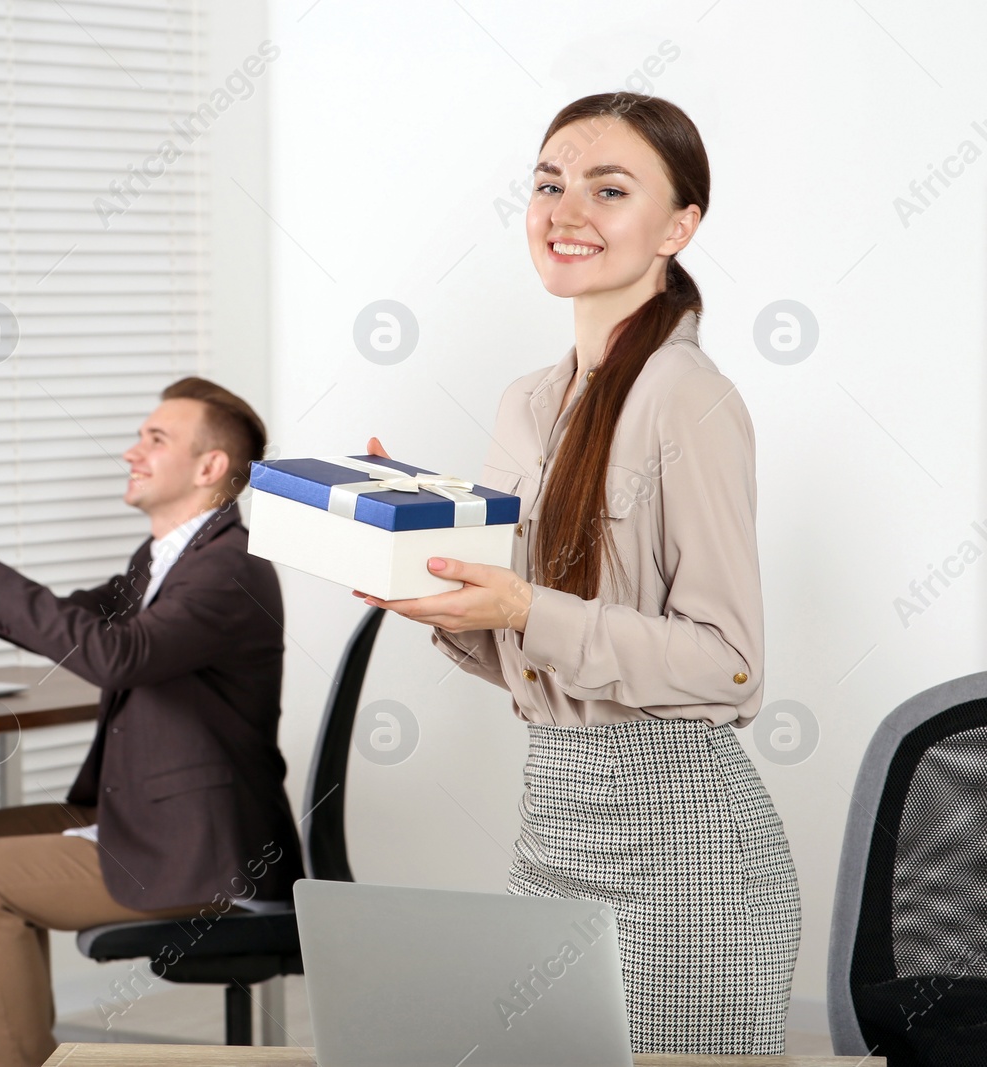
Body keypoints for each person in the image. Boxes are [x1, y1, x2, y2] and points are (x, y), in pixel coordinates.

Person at [357, 94, 800, 1054]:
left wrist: (522, 603)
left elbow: (731, 667)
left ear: (679, 225)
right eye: (550, 184)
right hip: (553, 830)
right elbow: (534, 648)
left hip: (687, 856)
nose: (567, 211)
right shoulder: (527, 402)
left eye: (609, 189)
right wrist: (436, 591)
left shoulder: (692, 399)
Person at [0, 376, 302, 1067]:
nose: (130, 452)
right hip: (174, 822)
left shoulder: (230, 569)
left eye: (154, 438)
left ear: (209, 468)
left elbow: (117, 654)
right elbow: (75, 620)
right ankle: (30, 1045)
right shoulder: (166, 560)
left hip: (213, 854)